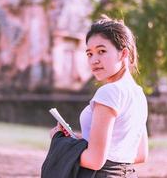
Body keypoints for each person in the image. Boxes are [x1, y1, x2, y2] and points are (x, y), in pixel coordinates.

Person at [49, 15, 148, 178]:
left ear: (123, 54)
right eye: (89, 54)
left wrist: (59, 141)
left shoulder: (109, 92)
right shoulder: (138, 94)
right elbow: (140, 154)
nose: (94, 60)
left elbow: (95, 160)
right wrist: (82, 140)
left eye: (101, 51)